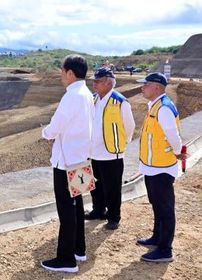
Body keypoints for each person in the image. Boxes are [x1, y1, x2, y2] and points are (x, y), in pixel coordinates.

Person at [40, 54, 94, 273]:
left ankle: (66, 259)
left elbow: (56, 126)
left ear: (70, 73)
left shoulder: (72, 96)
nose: (61, 75)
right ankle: (78, 250)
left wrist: (45, 132)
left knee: (67, 209)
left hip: (66, 161)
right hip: (80, 158)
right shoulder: (86, 93)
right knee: (78, 205)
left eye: (62, 71)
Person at [136, 72, 186, 262]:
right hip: (152, 166)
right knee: (157, 204)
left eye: (146, 84)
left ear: (156, 87)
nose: (142, 87)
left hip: (162, 167)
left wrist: (177, 152)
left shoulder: (163, 108)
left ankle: (165, 249)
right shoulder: (155, 106)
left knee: (165, 208)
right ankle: (157, 237)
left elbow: (173, 136)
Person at [86, 67, 135, 230]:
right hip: (94, 152)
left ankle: (113, 217)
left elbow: (129, 126)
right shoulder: (93, 99)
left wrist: (122, 144)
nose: (94, 84)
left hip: (111, 153)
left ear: (108, 83)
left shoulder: (120, 101)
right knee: (95, 185)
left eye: (98, 81)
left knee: (112, 187)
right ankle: (98, 210)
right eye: (94, 81)